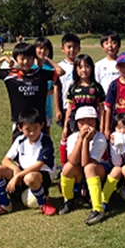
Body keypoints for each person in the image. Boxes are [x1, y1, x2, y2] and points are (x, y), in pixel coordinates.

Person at [0, 43, 64, 141]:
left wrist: (45, 59)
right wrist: (3, 58)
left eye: (29, 58)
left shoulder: (40, 73)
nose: (26, 62)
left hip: (38, 122)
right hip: (20, 123)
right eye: (22, 59)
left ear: (33, 58)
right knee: (18, 153)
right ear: (16, 59)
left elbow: (60, 72)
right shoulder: (10, 74)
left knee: (41, 153)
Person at [0, 108, 57, 217]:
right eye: (28, 129)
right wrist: (15, 169)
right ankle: (5, 205)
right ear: (20, 128)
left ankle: (43, 204)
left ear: (42, 125)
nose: (32, 132)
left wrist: (18, 176)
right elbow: (5, 160)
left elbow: (39, 165)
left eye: (35, 128)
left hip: (41, 176)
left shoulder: (46, 141)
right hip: (22, 174)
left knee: (30, 177)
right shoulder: (20, 140)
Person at [59, 106, 112, 225]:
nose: (87, 124)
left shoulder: (100, 138)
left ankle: (98, 209)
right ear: (77, 123)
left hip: (98, 172)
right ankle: (68, 199)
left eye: (91, 120)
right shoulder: (73, 137)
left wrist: (86, 140)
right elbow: (72, 161)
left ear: (96, 121)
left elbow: (86, 163)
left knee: (89, 168)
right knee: (67, 168)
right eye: (82, 121)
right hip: (81, 172)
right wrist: (81, 139)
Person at [60, 54, 105, 155]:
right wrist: (66, 127)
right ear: (75, 69)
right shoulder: (73, 88)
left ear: (92, 68)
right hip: (76, 123)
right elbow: (69, 108)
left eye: (87, 66)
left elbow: (101, 109)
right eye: (80, 67)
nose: (84, 70)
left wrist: (102, 126)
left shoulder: (97, 88)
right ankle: (66, 166)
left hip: (92, 122)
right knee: (73, 143)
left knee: (92, 143)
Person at [54, 33, 82, 163]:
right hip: (66, 107)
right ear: (62, 49)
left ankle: (79, 161)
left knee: (80, 136)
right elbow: (57, 88)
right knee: (67, 135)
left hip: (82, 107)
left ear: (79, 49)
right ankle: (66, 164)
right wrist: (58, 109)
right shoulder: (60, 67)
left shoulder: (83, 65)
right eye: (69, 47)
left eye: (75, 47)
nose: (72, 50)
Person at [95, 30, 122, 136]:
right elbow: (96, 85)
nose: (110, 46)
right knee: (106, 132)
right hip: (105, 106)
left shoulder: (124, 63)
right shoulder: (99, 65)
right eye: (106, 43)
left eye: (113, 42)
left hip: (122, 104)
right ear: (102, 47)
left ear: (119, 45)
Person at [34, 37, 56, 137]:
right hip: (31, 106)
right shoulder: (29, 66)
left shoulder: (51, 68)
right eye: (39, 48)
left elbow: (55, 87)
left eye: (46, 49)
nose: (42, 51)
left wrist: (43, 94)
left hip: (46, 107)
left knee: (45, 134)